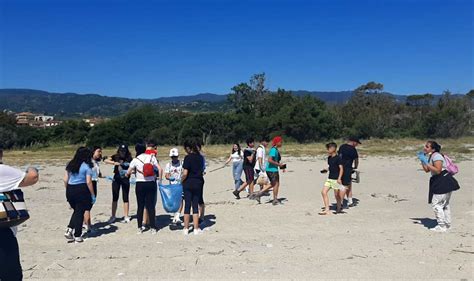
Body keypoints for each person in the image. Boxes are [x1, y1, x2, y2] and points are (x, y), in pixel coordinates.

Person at [0, 145, 39, 281]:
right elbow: (32, 178)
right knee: (11, 275)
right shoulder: (3, 171)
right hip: (3, 231)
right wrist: (32, 168)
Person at [418, 141, 458, 232]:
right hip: (439, 180)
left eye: (427, 147)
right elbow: (427, 170)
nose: (425, 148)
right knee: (444, 204)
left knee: (436, 204)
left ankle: (441, 225)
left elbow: (438, 170)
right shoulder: (432, 156)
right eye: (425, 146)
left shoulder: (437, 156)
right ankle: (447, 224)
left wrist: (426, 162)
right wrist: (422, 160)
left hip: (443, 180)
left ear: (433, 149)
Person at [63, 147, 96, 243]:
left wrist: (68, 190)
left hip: (70, 188)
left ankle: (70, 230)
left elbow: (65, 179)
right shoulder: (87, 166)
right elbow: (89, 182)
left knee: (77, 211)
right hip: (81, 189)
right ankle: (77, 234)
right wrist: (92, 194)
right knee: (80, 212)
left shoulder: (70, 164)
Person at [126, 143, 160, 234]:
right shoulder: (151, 157)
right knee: (150, 206)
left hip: (140, 184)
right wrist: (159, 179)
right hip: (151, 183)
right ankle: (153, 227)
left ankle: (140, 227)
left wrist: (129, 173)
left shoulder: (135, 160)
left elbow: (128, 172)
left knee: (140, 206)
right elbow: (159, 168)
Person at [181, 140, 205, 235]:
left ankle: (186, 228)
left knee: (187, 205)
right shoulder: (200, 158)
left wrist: (181, 180)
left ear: (189, 148)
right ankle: (196, 228)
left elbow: (185, 173)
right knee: (195, 205)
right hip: (198, 182)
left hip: (188, 183)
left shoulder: (187, 158)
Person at [104, 144, 133, 223]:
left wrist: (129, 172)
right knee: (115, 197)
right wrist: (114, 163)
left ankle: (126, 216)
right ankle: (113, 216)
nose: (122, 152)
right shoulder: (115, 156)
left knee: (125, 197)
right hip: (116, 179)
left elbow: (133, 168)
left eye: (124, 151)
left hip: (126, 179)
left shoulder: (129, 158)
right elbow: (105, 160)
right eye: (121, 151)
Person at [256, 136, 286, 205]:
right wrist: (279, 165)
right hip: (271, 170)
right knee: (275, 184)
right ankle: (274, 199)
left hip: (273, 169)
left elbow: (277, 160)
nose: (281, 143)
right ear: (277, 142)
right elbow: (270, 160)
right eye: (280, 142)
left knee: (274, 184)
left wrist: (282, 167)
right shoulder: (273, 150)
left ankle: (260, 194)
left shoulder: (275, 150)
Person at [319, 142, 345, 215]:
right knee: (323, 192)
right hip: (329, 178)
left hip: (336, 179)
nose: (327, 150)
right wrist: (326, 170)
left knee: (337, 195)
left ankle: (339, 208)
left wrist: (339, 178)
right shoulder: (329, 158)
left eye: (328, 149)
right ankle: (327, 209)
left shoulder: (338, 158)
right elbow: (330, 166)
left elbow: (341, 169)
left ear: (333, 149)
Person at [142, 140, 163, 229]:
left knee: (144, 203)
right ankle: (151, 221)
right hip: (152, 180)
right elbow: (159, 169)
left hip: (142, 181)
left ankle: (144, 221)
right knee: (152, 203)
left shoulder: (142, 155)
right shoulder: (153, 155)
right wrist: (160, 180)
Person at [83, 146, 102, 233]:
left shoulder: (96, 162)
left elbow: (98, 173)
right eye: (98, 151)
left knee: (89, 205)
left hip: (94, 182)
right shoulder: (88, 162)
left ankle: (84, 222)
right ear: (93, 152)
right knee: (88, 205)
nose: (100, 153)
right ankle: (88, 225)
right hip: (90, 183)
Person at [338, 137, 360, 208]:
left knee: (348, 184)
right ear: (354, 142)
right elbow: (356, 159)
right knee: (345, 186)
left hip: (340, 167)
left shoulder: (342, 147)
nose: (356, 145)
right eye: (357, 143)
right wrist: (355, 167)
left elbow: (339, 157)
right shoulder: (353, 149)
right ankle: (340, 203)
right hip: (347, 168)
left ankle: (350, 201)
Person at [164, 148, 184, 224]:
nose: (174, 158)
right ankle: (175, 215)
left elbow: (184, 172)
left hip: (180, 185)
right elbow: (166, 175)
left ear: (178, 156)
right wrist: (169, 177)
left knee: (180, 199)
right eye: (172, 157)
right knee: (174, 201)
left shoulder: (182, 163)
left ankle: (177, 216)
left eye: (175, 156)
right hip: (172, 186)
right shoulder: (168, 165)